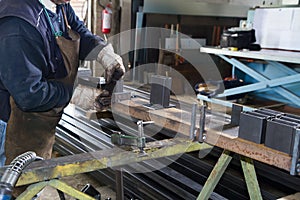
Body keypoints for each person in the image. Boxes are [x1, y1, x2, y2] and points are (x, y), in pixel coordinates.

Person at [0, 0, 125, 168]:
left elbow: (78, 31)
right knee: (8, 186)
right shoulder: (18, 24)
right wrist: (75, 94)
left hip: (34, 119)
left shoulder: (59, 4)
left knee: (29, 182)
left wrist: (103, 53)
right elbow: (29, 94)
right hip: (7, 122)